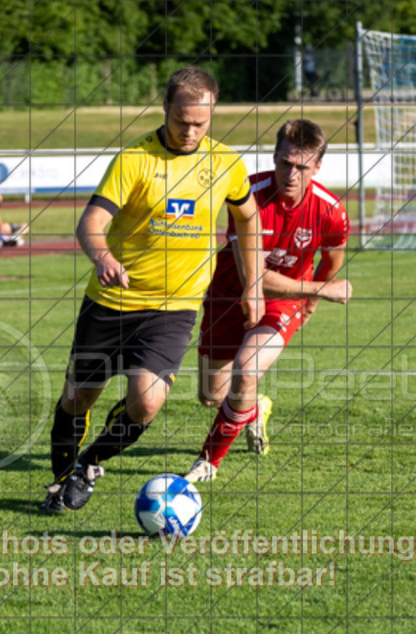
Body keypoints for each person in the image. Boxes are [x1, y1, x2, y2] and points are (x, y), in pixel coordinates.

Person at [41, 65, 265, 514]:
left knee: (146, 402)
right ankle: (60, 480)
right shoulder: (134, 160)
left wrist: (253, 285)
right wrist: (103, 257)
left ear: (213, 113)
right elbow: (92, 223)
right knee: (77, 397)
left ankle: (88, 467)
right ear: (165, 108)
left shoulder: (225, 163)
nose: (190, 131)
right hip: (111, 302)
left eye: (201, 123)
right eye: (181, 120)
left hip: (173, 308)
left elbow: (248, 220)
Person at [185, 118, 353, 483]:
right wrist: (318, 291)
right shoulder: (247, 195)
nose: (290, 174)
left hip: (284, 300)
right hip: (230, 293)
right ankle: (254, 406)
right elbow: (255, 278)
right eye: (284, 163)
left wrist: (309, 302)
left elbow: (332, 259)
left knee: (247, 370)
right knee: (212, 397)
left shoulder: (331, 211)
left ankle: (207, 463)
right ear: (274, 157)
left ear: (318, 167)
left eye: (302, 166)